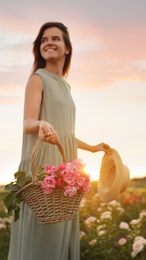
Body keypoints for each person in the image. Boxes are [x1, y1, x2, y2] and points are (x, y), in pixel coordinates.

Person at [8, 22, 110, 260]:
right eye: (44, 40)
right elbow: (28, 124)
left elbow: (63, 134)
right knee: (43, 240)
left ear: (67, 48)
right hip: (43, 169)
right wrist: (41, 124)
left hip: (64, 168)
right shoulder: (37, 78)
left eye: (55, 38)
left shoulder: (65, 86)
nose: (49, 43)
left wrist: (93, 148)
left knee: (61, 236)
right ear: (39, 48)